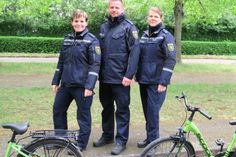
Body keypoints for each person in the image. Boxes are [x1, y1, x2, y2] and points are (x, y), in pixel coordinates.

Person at [93, 0, 140, 155]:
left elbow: (135, 53)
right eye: (111, 7)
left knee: (122, 110)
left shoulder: (129, 27)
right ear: (109, 8)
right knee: (106, 109)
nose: (114, 10)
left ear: (122, 8)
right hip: (105, 78)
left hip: (121, 79)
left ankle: (121, 141)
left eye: (117, 7)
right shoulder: (103, 26)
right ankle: (107, 136)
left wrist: (129, 75)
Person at [51, 9, 101, 151]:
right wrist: (55, 81)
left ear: (86, 22)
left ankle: (80, 145)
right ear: (72, 22)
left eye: (81, 21)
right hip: (66, 85)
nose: (79, 24)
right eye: (76, 21)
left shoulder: (92, 40)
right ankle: (60, 140)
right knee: (58, 110)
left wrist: (89, 87)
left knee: (83, 116)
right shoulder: (67, 39)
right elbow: (61, 62)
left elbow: (95, 65)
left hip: (82, 86)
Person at [135, 7, 176, 148]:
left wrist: (163, 81)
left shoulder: (166, 36)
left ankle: (153, 143)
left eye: (155, 17)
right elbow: (139, 57)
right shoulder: (145, 35)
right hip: (144, 80)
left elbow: (170, 60)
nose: (152, 19)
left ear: (161, 18)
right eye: (150, 16)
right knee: (148, 112)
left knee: (153, 113)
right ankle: (149, 138)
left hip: (157, 82)